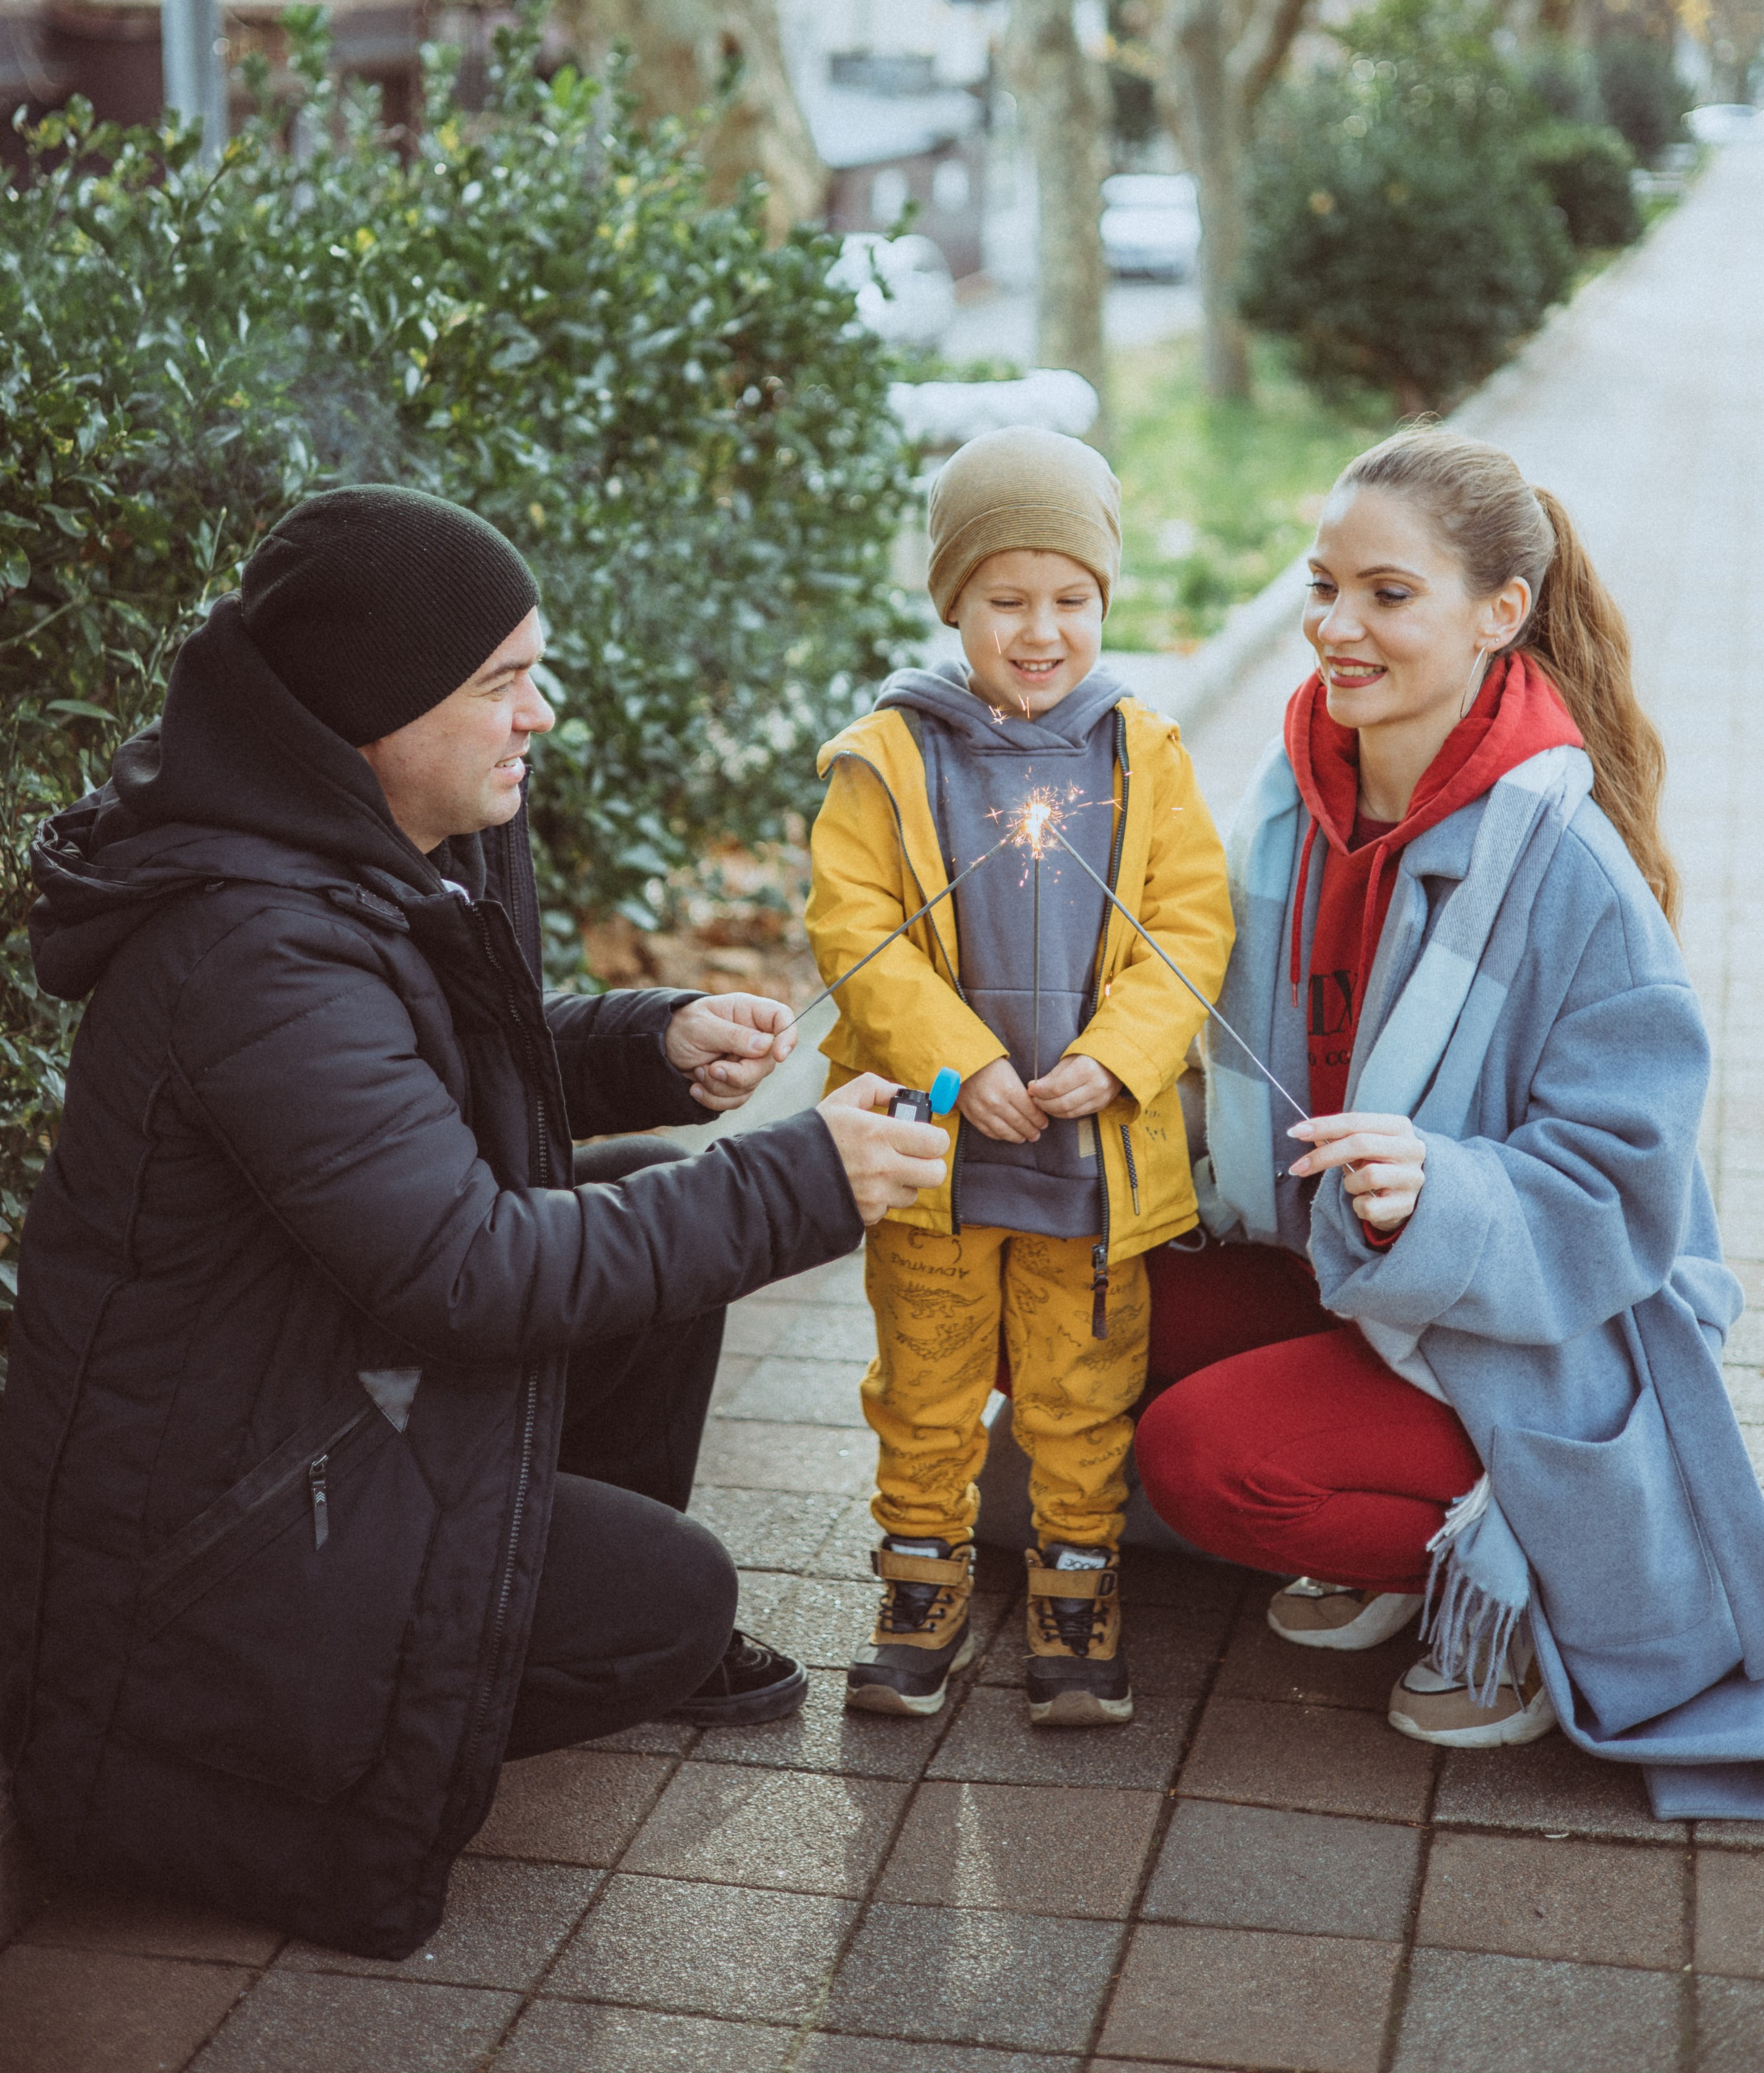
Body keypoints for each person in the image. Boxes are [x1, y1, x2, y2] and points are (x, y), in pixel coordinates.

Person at [0, 486, 945, 1959]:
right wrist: (803, 1181)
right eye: (501, 685)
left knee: (641, 1205)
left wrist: (646, 1041)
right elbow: (466, 1273)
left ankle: (515, 1592)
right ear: (369, 716)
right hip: (202, 1541)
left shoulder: (336, 842)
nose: (542, 716)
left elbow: (407, 1084)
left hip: (298, 1387)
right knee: (673, 1600)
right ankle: (382, 1708)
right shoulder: (253, 946)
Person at [1134, 426, 1764, 1812]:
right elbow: (1216, 1037)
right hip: (1340, 1270)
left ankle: (1514, 1588)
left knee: (1202, 1463)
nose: (1332, 627)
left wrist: (1442, 1186)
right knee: (1091, 1321)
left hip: (1536, 1329)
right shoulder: (1286, 804)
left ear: (1499, 616)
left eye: (1385, 594)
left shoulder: (1569, 871)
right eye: (1321, 585)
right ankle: (1384, 1525)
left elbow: (1622, 1195)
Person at [806, 429, 1231, 1724]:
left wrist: (1120, 1056)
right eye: (1006, 601)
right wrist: (962, 1058)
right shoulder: (890, 754)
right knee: (924, 1380)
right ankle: (920, 1581)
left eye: (1071, 600)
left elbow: (1191, 927)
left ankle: (1076, 1582)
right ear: (954, 604)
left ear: (1105, 600)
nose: (1040, 631)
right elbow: (854, 930)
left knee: (1081, 1384)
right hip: (940, 1152)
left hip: (1086, 1163)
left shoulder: (1143, 754)